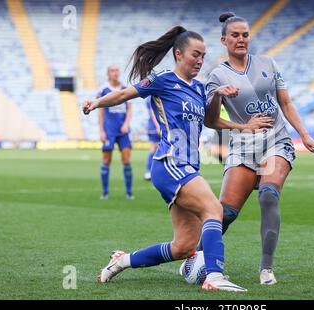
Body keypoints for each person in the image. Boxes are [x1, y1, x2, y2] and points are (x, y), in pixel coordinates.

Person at [83, 26, 270, 292]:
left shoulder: (200, 88)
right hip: (170, 162)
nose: (200, 60)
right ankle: (215, 276)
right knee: (214, 210)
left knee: (183, 246)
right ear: (179, 54)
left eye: (204, 56)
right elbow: (125, 94)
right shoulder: (162, 80)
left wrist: (238, 118)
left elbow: (211, 120)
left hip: (187, 167)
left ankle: (122, 260)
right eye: (195, 54)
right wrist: (96, 102)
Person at [200, 12, 314, 286]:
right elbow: (210, 121)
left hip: (275, 141)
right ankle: (196, 260)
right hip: (243, 147)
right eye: (235, 35)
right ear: (224, 40)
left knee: (268, 195)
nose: (241, 39)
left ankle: (266, 269)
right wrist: (219, 95)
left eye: (245, 34)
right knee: (225, 213)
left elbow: (286, 103)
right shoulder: (216, 76)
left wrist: (305, 135)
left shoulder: (269, 63)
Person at [97, 65, 134, 200]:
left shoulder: (125, 89)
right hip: (109, 131)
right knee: (106, 160)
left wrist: (126, 124)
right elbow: (100, 112)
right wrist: (101, 130)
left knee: (126, 160)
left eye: (117, 70)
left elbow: (129, 108)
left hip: (123, 131)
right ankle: (105, 192)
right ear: (108, 73)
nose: (115, 73)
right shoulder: (103, 89)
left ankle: (129, 192)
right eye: (112, 71)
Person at [144, 95, 160, 180]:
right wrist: (158, 126)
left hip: (164, 125)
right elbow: (152, 112)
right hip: (154, 127)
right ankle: (148, 171)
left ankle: (158, 172)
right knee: (153, 148)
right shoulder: (150, 97)